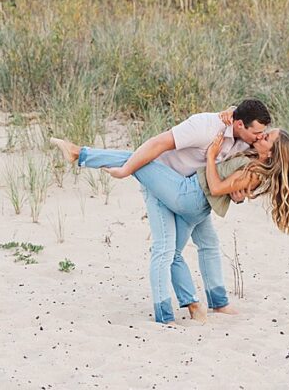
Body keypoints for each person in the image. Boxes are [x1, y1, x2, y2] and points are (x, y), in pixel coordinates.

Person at [51, 99, 273, 325]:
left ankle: (214, 303)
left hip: (192, 192)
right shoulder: (205, 127)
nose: (259, 137)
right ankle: (167, 314)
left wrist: (238, 196)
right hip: (161, 179)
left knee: (208, 243)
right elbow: (159, 143)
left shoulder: (246, 141)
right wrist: (127, 170)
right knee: (165, 248)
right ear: (239, 125)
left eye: (262, 133)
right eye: (257, 133)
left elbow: (239, 175)